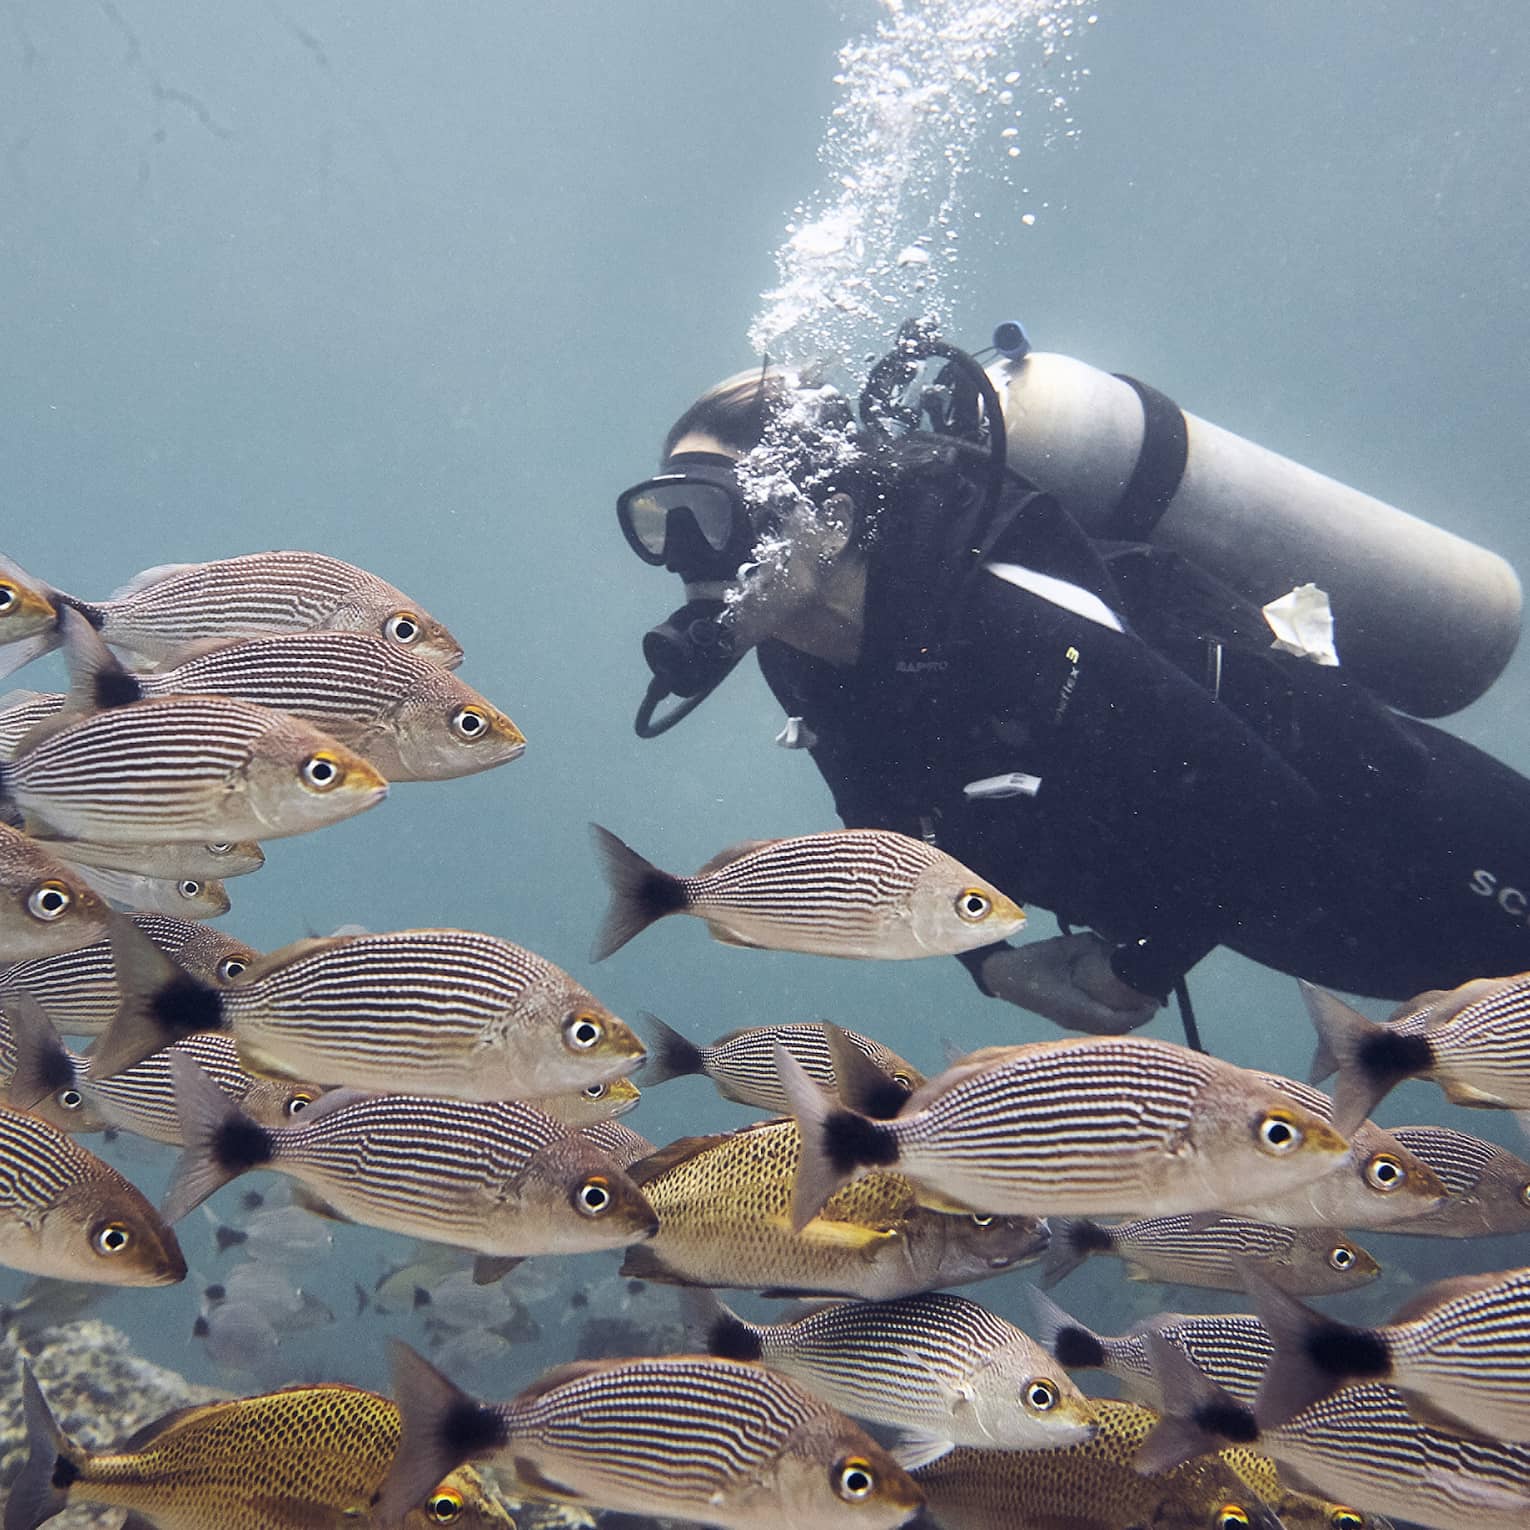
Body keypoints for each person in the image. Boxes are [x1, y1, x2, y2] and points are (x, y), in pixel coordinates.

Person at [615, 327, 1530, 1036]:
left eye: (714, 512)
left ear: (830, 512)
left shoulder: (992, 609)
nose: (685, 559)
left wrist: (1135, 971)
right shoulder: (800, 651)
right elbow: (886, 834)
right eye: (663, 520)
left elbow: (1271, 807)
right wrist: (995, 966)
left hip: (1426, 841)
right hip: (1299, 924)